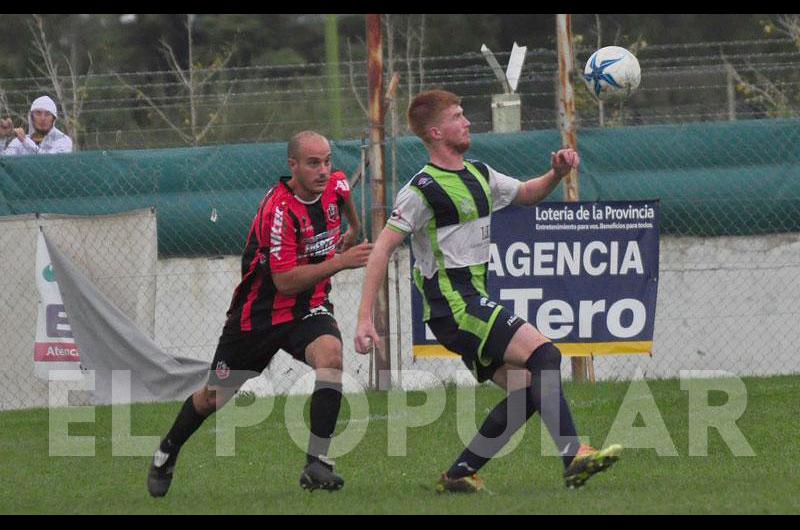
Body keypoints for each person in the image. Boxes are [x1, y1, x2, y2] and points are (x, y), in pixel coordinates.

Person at [354, 90, 622, 493]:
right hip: (455, 305)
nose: (467, 122)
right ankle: (573, 456)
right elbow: (383, 250)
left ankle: (460, 473)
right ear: (435, 131)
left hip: (472, 302)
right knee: (545, 354)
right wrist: (363, 318)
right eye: (458, 116)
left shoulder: (479, 173)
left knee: (531, 391)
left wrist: (556, 174)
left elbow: (526, 193)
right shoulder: (421, 190)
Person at [148, 130, 372, 497]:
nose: (323, 170)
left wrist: (355, 228)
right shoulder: (281, 211)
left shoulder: (334, 184)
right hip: (258, 316)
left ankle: (317, 462)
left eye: (327, 161)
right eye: (313, 163)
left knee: (331, 355)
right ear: (293, 165)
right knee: (212, 398)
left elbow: (344, 191)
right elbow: (284, 281)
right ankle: (167, 451)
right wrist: (340, 261)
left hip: (308, 308)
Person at [1, 95, 73, 155]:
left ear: (53, 119)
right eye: (38, 113)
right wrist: (1, 138)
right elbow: (3, 165)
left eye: (47, 114)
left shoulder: (63, 140)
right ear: (31, 117)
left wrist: (26, 142)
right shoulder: (18, 142)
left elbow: (48, 163)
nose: (43, 118)